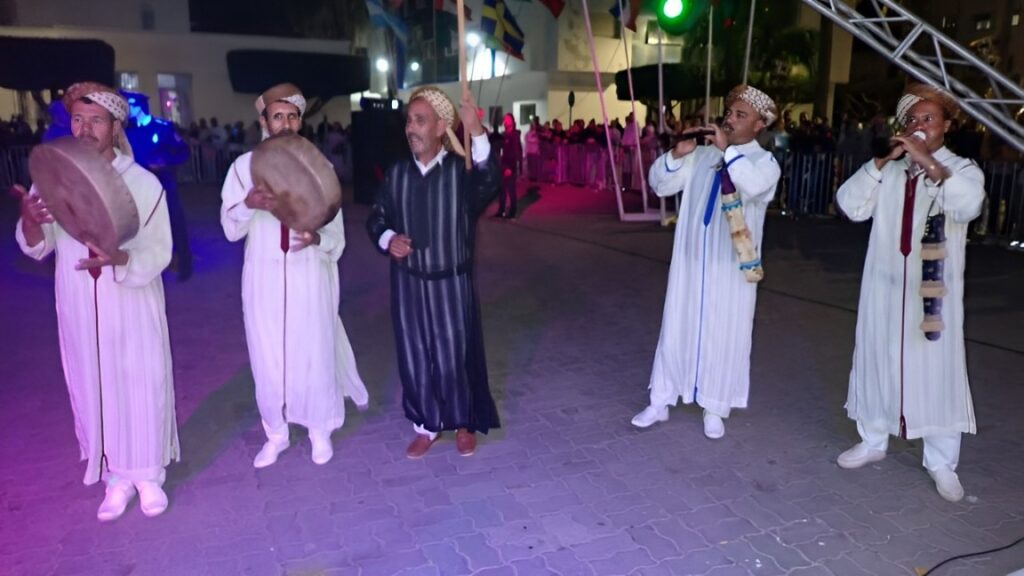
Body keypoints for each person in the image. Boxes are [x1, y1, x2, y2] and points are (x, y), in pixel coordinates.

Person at [14, 82, 178, 520]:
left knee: (141, 382)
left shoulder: (143, 183)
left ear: (115, 126)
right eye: (78, 119)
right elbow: (38, 246)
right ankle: (114, 477)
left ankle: (148, 474)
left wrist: (122, 258)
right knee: (93, 383)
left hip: (131, 300)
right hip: (79, 304)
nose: (85, 129)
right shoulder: (52, 176)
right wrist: (30, 221)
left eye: (96, 121)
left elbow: (160, 250)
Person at [834, 84, 985, 502]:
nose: (919, 126)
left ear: (946, 126)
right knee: (876, 358)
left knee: (937, 371)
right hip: (882, 287)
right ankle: (873, 439)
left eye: (928, 119)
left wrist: (930, 165)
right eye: (913, 120)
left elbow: (968, 206)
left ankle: (942, 462)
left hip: (933, 295)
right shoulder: (891, 169)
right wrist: (880, 162)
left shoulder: (962, 169)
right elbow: (850, 205)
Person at [220, 83, 368, 469]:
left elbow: (337, 238)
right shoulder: (243, 168)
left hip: (309, 276)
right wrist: (249, 204)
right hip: (263, 280)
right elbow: (230, 229)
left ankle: (320, 429)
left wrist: (318, 238)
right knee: (267, 358)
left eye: (291, 116)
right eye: (277, 116)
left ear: (300, 122)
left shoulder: (320, 169)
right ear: (264, 122)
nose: (284, 123)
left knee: (314, 351)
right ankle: (276, 433)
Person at [632, 85, 781, 439]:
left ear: (759, 124)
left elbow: (753, 186)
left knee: (725, 332)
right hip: (690, 262)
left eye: (741, 115)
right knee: (676, 324)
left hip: (730, 268)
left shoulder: (764, 163)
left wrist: (728, 151)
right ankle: (661, 399)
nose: (730, 119)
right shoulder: (701, 155)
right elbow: (660, 185)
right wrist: (676, 154)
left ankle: (715, 405)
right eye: (729, 112)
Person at [366, 86, 501, 459]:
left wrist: (477, 132)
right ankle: (426, 425)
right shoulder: (397, 173)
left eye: (420, 120)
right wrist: (389, 239)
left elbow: (490, 183)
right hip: (408, 285)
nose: (411, 128)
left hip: (450, 285)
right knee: (414, 355)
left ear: (441, 127)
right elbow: (376, 217)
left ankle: (462, 423)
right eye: (409, 120)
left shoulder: (460, 172)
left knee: (454, 354)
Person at [121, 90, 194, 280]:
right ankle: (152, 267)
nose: (127, 110)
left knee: (175, 223)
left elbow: (184, 152)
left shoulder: (163, 127)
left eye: (130, 106)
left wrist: (165, 161)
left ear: (139, 107)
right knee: (145, 227)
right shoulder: (128, 132)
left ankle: (185, 265)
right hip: (139, 188)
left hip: (164, 185)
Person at [496, 113, 523, 219]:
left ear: (512, 121)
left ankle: (512, 213)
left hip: (510, 166)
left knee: (511, 190)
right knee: (502, 189)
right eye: (505, 119)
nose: (505, 121)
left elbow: (515, 152)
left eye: (507, 119)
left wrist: (510, 168)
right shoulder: (505, 134)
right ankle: (501, 210)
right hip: (503, 165)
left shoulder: (514, 135)